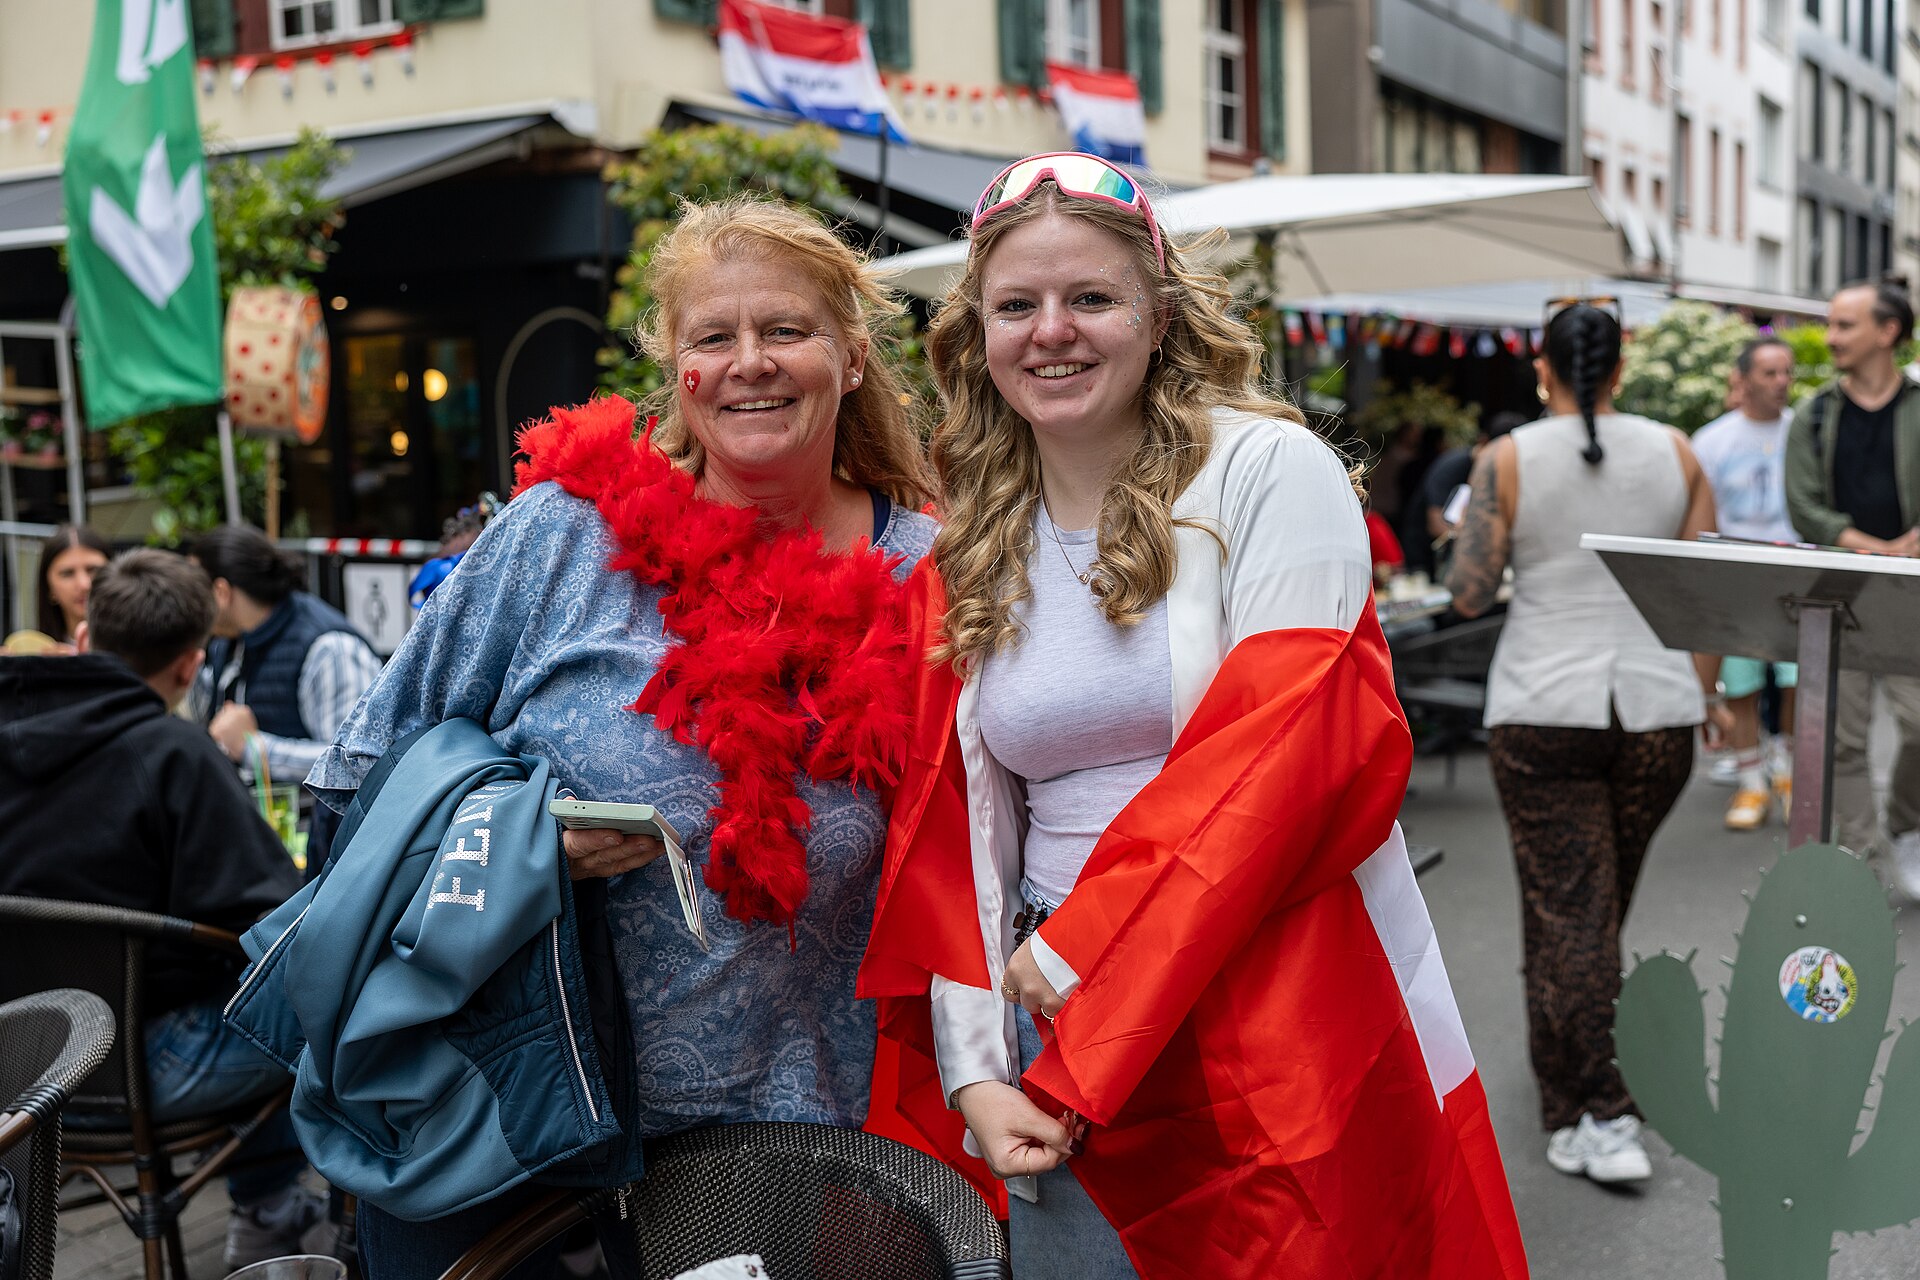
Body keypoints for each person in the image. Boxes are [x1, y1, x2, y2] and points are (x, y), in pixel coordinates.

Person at [860, 153, 1526, 1279]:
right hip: (1053, 1013)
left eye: (1091, 299)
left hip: (1277, 989)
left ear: (1159, 315)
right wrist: (975, 1062)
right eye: (1016, 305)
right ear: (977, 332)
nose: (1051, 331)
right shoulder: (973, 528)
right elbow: (955, 828)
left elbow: (1293, 750)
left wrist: (1082, 945)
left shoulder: (1270, 470)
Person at [306, 196, 938, 1276]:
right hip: (498, 1097)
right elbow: (355, 774)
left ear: (853, 354)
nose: (752, 362)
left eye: (785, 330)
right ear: (676, 366)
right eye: (714, 336)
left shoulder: (931, 574)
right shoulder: (562, 536)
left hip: (770, 1140)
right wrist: (519, 843)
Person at [1448, 299, 1724, 1188]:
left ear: (1543, 365)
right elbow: (1703, 590)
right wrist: (1706, 695)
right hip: (1656, 708)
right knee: (1586, 915)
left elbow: (1468, 595)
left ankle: (1601, 1109)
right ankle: (1564, 1102)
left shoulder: (1507, 457)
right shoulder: (1679, 453)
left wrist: (1458, 537)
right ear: (1620, 364)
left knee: (1572, 914)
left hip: (1542, 706)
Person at [0, 549, 315, 1269]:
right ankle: (270, 1211)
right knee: (311, 992)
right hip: (136, 1072)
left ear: (82, 636)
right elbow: (271, 919)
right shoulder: (173, 750)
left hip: (11, 1063)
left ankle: (265, 1208)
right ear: (190, 667)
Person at [1785, 278, 1920, 897]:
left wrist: (1907, 547)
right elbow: (1804, 505)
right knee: (1840, 737)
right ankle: (1861, 861)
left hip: (1913, 589)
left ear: (1887, 332)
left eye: (1845, 325)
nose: (1832, 336)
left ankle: (1906, 826)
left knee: (1919, 723)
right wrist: (1871, 546)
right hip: (1838, 592)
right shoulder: (1814, 415)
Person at [1693, 336, 1799, 830]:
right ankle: (1752, 782)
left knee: (1799, 679)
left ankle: (1791, 768)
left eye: (1786, 373)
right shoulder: (1712, 441)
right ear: (1744, 380)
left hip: (1799, 575)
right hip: (1734, 577)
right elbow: (1700, 518)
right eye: (1770, 373)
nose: (1781, 383)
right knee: (1741, 684)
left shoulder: (1803, 433)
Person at [32, 523, 111, 650]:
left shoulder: (140, 648)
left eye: (93, 570)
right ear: (49, 588)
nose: (84, 584)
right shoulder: (35, 655)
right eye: (67, 573)